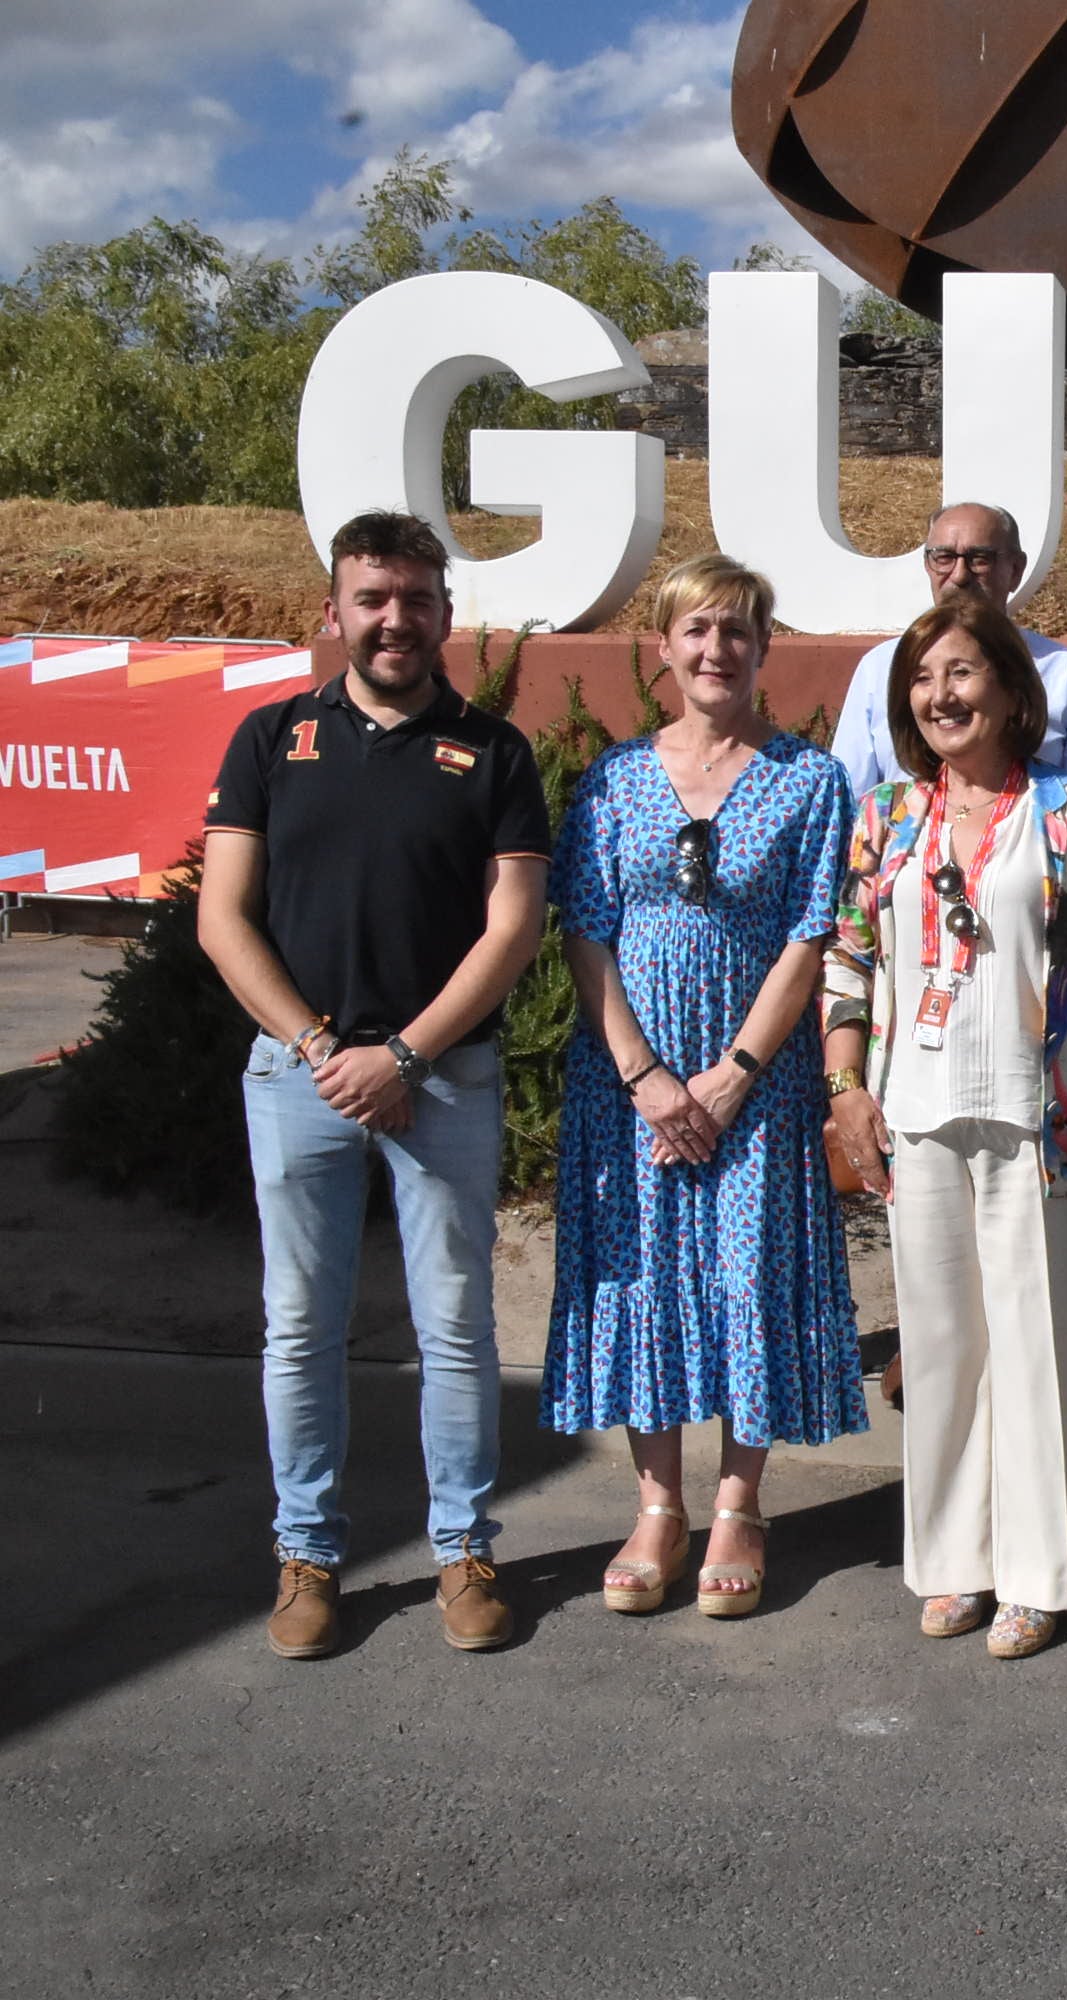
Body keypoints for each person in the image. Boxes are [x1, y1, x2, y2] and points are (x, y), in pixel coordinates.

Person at [199, 510, 551, 1659]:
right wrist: (321, 1050)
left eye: (414, 598)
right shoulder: (268, 739)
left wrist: (401, 1055)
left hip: (444, 1078)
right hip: (296, 1074)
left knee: (454, 1326)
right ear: (335, 610)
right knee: (299, 1326)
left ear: (446, 614)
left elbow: (512, 929)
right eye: (372, 597)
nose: (393, 617)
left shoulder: (494, 753)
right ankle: (307, 1554)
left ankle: (464, 1550)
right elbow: (221, 917)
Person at [543, 553, 866, 1620]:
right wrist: (642, 1072)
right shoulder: (614, 778)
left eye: (737, 631)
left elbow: (810, 938)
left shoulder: (809, 780)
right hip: (626, 1080)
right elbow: (586, 932)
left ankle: (739, 1503)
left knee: (747, 1282)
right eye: (696, 630)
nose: (716, 649)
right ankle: (656, 1504)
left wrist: (731, 1074)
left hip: (753, 1084)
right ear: (666, 645)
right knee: (646, 1284)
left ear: (764, 647)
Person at [821, 594, 1067, 1658]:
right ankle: (955, 1560)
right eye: (921, 677)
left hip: (1039, 1115)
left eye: (960, 672)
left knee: (1036, 1349)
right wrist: (846, 1087)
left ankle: (1040, 1573)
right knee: (945, 1343)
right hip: (915, 1114)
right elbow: (850, 956)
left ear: (1009, 689)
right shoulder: (888, 818)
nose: (938, 694)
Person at [828, 502, 1067, 799]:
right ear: (928, 565)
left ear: (1015, 570)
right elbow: (849, 800)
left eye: (979, 559)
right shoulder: (880, 668)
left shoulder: (1065, 672)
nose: (960, 574)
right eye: (944, 557)